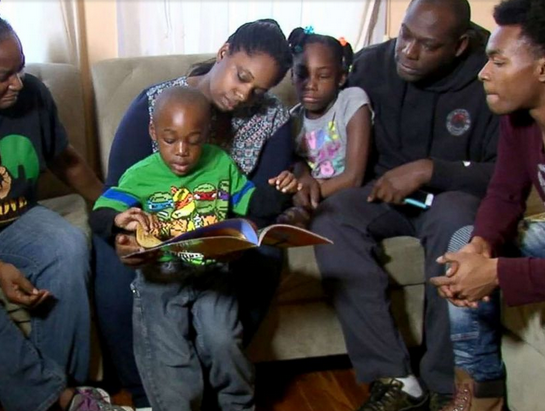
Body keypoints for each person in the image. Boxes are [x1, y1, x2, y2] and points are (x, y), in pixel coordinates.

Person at [0, 1, 127, 410]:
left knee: (68, 247)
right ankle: (63, 398)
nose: (17, 83)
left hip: (15, 221)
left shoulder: (33, 94)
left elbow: (67, 160)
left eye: (20, 69)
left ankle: (59, 396)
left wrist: (114, 203)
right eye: (3, 76)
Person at [91, 19, 294, 410]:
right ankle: (147, 394)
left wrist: (254, 223)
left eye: (258, 89)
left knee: (262, 261)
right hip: (158, 235)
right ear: (223, 53)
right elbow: (117, 192)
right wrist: (125, 234)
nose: (244, 94)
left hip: (222, 236)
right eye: (241, 77)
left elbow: (262, 201)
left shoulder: (270, 118)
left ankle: (219, 390)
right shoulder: (158, 104)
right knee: (113, 258)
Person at [307, 0, 500, 409]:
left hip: (451, 197)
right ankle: (394, 377)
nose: (408, 52)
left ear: (460, 46)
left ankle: (444, 384)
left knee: (456, 223)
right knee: (331, 218)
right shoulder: (372, 65)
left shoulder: (489, 77)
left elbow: (503, 173)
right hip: (383, 194)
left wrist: (432, 170)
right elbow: (317, 119)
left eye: (426, 45)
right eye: (405, 35)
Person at [431, 0, 545, 410]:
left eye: (498, 61)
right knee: (461, 246)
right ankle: (481, 395)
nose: (483, 73)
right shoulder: (519, 117)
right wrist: (481, 247)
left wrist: (497, 272)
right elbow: (504, 194)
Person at [287, 27, 372, 203]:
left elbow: (354, 177)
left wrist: (307, 201)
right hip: (309, 196)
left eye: (323, 76)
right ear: (292, 75)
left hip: (345, 197)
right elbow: (296, 162)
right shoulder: (292, 118)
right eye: (302, 74)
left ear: (341, 78)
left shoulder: (351, 101)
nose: (311, 84)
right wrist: (303, 177)